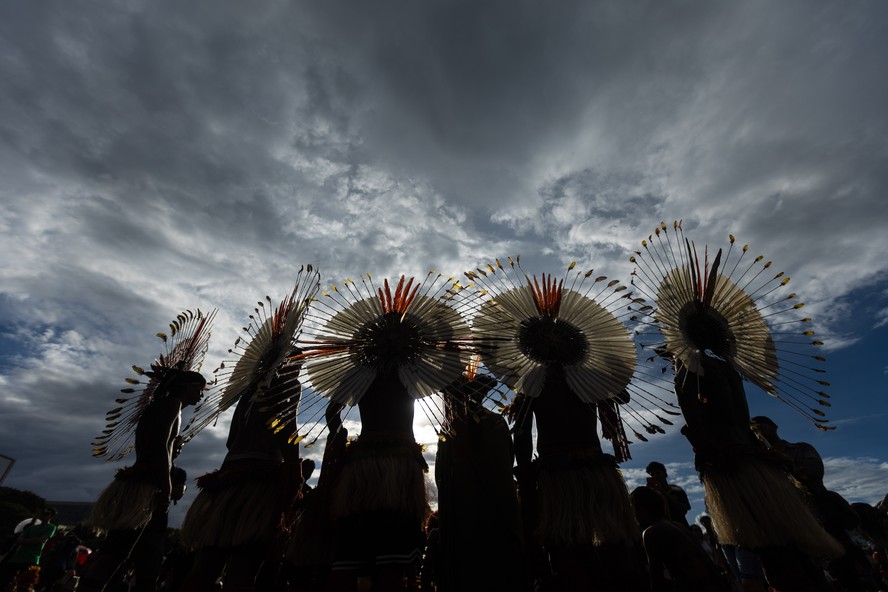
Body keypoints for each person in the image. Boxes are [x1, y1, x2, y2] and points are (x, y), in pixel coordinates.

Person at [674, 354, 843, 592]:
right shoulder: (728, 366)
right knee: (792, 548)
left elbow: (690, 411)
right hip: (757, 464)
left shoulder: (690, 366)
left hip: (734, 467)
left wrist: (704, 450)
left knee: (772, 551)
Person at [513, 367, 648, 592]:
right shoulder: (578, 375)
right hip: (572, 473)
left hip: (573, 473)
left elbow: (521, 431)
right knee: (577, 546)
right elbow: (522, 431)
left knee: (588, 545)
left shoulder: (538, 380)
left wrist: (526, 476)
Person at [180, 356, 304, 592]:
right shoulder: (289, 383)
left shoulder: (248, 391)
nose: (298, 369)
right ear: (287, 362)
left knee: (206, 565)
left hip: (227, 479)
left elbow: (231, 440)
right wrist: (293, 471)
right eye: (297, 363)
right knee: (243, 569)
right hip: (259, 484)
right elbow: (287, 430)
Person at [79, 369, 207, 592]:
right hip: (146, 484)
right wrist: (166, 487)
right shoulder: (172, 405)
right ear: (188, 387)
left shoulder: (160, 405)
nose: (201, 396)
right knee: (117, 552)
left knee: (118, 551)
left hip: (138, 482)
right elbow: (161, 448)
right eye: (200, 389)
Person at [434, 372, 528, 591]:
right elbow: (508, 460)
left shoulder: (450, 429)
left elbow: (442, 476)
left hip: (464, 514)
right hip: (496, 511)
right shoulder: (496, 422)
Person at [631, 486, 731, 591]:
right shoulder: (678, 526)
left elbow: (657, 579)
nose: (634, 517)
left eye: (634, 511)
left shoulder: (651, 532)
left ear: (641, 509)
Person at [0, 507, 57, 589]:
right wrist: (32, 540)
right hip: (18, 557)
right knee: (4, 580)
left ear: (52, 516)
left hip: (32, 558)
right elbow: (18, 540)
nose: (44, 515)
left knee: (25, 585)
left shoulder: (51, 527)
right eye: (44, 513)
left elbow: (41, 540)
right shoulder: (32, 527)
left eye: (47, 513)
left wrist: (25, 541)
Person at [645, 462, 692, 528]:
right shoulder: (652, 495)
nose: (655, 476)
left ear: (665, 474)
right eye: (652, 475)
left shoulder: (677, 490)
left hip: (681, 529)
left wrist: (663, 492)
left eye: (658, 473)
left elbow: (684, 510)